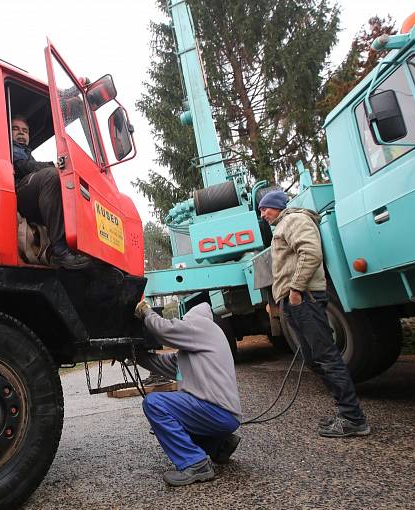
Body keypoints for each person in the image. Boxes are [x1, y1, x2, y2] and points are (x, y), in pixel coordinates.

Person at [258, 190, 370, 437]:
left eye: (265, 208)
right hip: (295, 300)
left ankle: (353, 418)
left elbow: (310, 253)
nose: (263, 214)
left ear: (277, 206)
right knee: (313, 358)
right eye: (260, 210)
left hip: (304, 298)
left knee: (326, 357)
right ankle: (344, 412)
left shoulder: (294, 220)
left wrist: (296, 290)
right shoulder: (284, 225)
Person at [133, 301, 242, 486]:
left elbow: (165, 330)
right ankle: (219, 446)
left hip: (215, 411)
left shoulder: (204, 327)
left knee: (154, 404)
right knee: (166, 421)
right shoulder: (194, 349)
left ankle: (195, 464)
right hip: (224, 416)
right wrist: (131, 353)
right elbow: (159, 363)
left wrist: (146, 311)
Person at [11, 115, 90, 269]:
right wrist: (56, 165)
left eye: (25, 131)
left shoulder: (26, 152)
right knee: (52, 176)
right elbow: (24, 166)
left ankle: (85, 253)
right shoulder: (11, 148)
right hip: (15, 193)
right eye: (15, 129)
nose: (21, 133)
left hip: (31, 197)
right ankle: (60, 251)